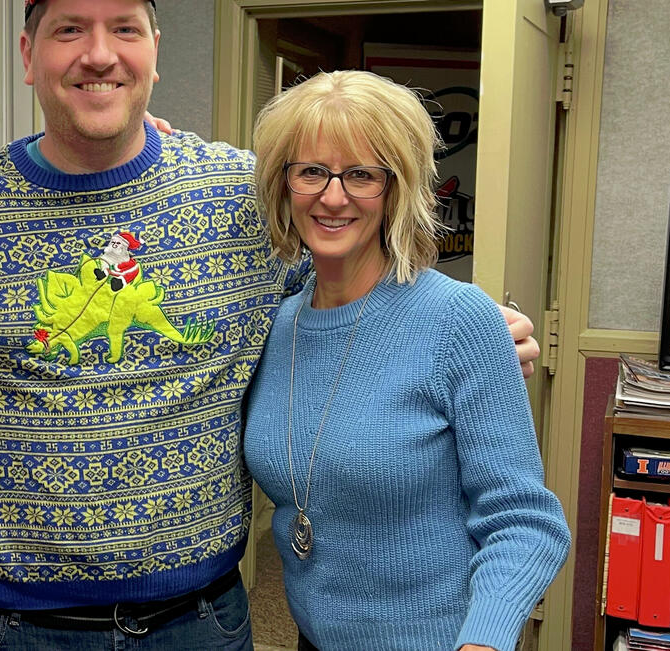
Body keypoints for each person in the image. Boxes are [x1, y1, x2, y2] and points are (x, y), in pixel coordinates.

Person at [0, 0, 541, 650]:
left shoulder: (240, 194)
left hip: (198, 621)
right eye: (69, 30)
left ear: (154, 52)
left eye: (124, 30)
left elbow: (351, 277)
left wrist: (474, 331)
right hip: (5, 627)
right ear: (28, 55)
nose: (100, 54)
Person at [243, 70, 571, 651]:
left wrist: (482, 642)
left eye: (362, 175)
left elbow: (525, 521)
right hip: (313, 637)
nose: (333, 197)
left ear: (397, 189)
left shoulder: (459, 320)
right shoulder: (278, 322)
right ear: (283, 184)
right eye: (311, 171)